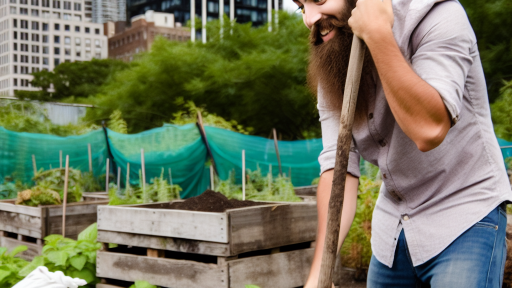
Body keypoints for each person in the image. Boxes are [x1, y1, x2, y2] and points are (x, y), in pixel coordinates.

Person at [292, 0, 512, 286]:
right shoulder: (336, 62)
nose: (310, 19)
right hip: (394, 231)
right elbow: (338, 165)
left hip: (464, 217)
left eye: (319, 0)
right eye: (300, 7)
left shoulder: (436, 16)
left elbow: (429, 130)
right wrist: (318, 276)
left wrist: (378, 35)